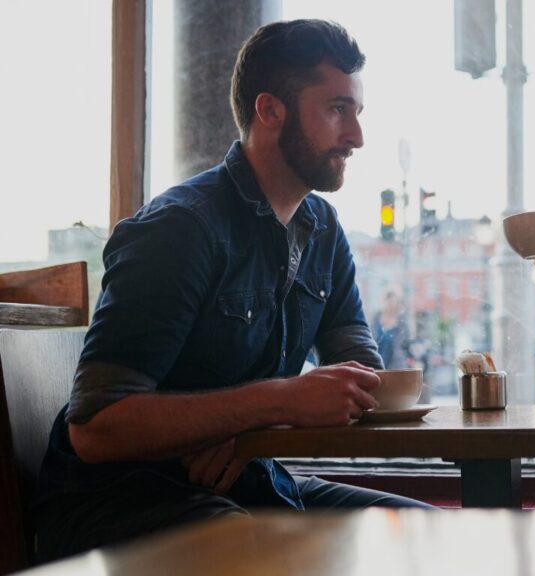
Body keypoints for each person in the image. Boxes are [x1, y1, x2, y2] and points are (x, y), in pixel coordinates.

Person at [31, 19, 430, 562]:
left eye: (356, 112)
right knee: (251, 546)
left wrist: (249, 427)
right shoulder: (180, 230)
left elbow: (357, 368)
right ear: (270, 111)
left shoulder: (323, 229)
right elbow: (97, 429)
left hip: (246, 483)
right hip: (114, 500)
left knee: (425, 531)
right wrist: (275, 401)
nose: (357, 136)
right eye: (338, 109)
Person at [372, 290, 411, 369]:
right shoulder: (376, 318)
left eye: (393, 302)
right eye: (388, 301)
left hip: (396, 364)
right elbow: (371, 338)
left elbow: (406, 343)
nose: (390, 305)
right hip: (378, 361)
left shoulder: (401, 321)